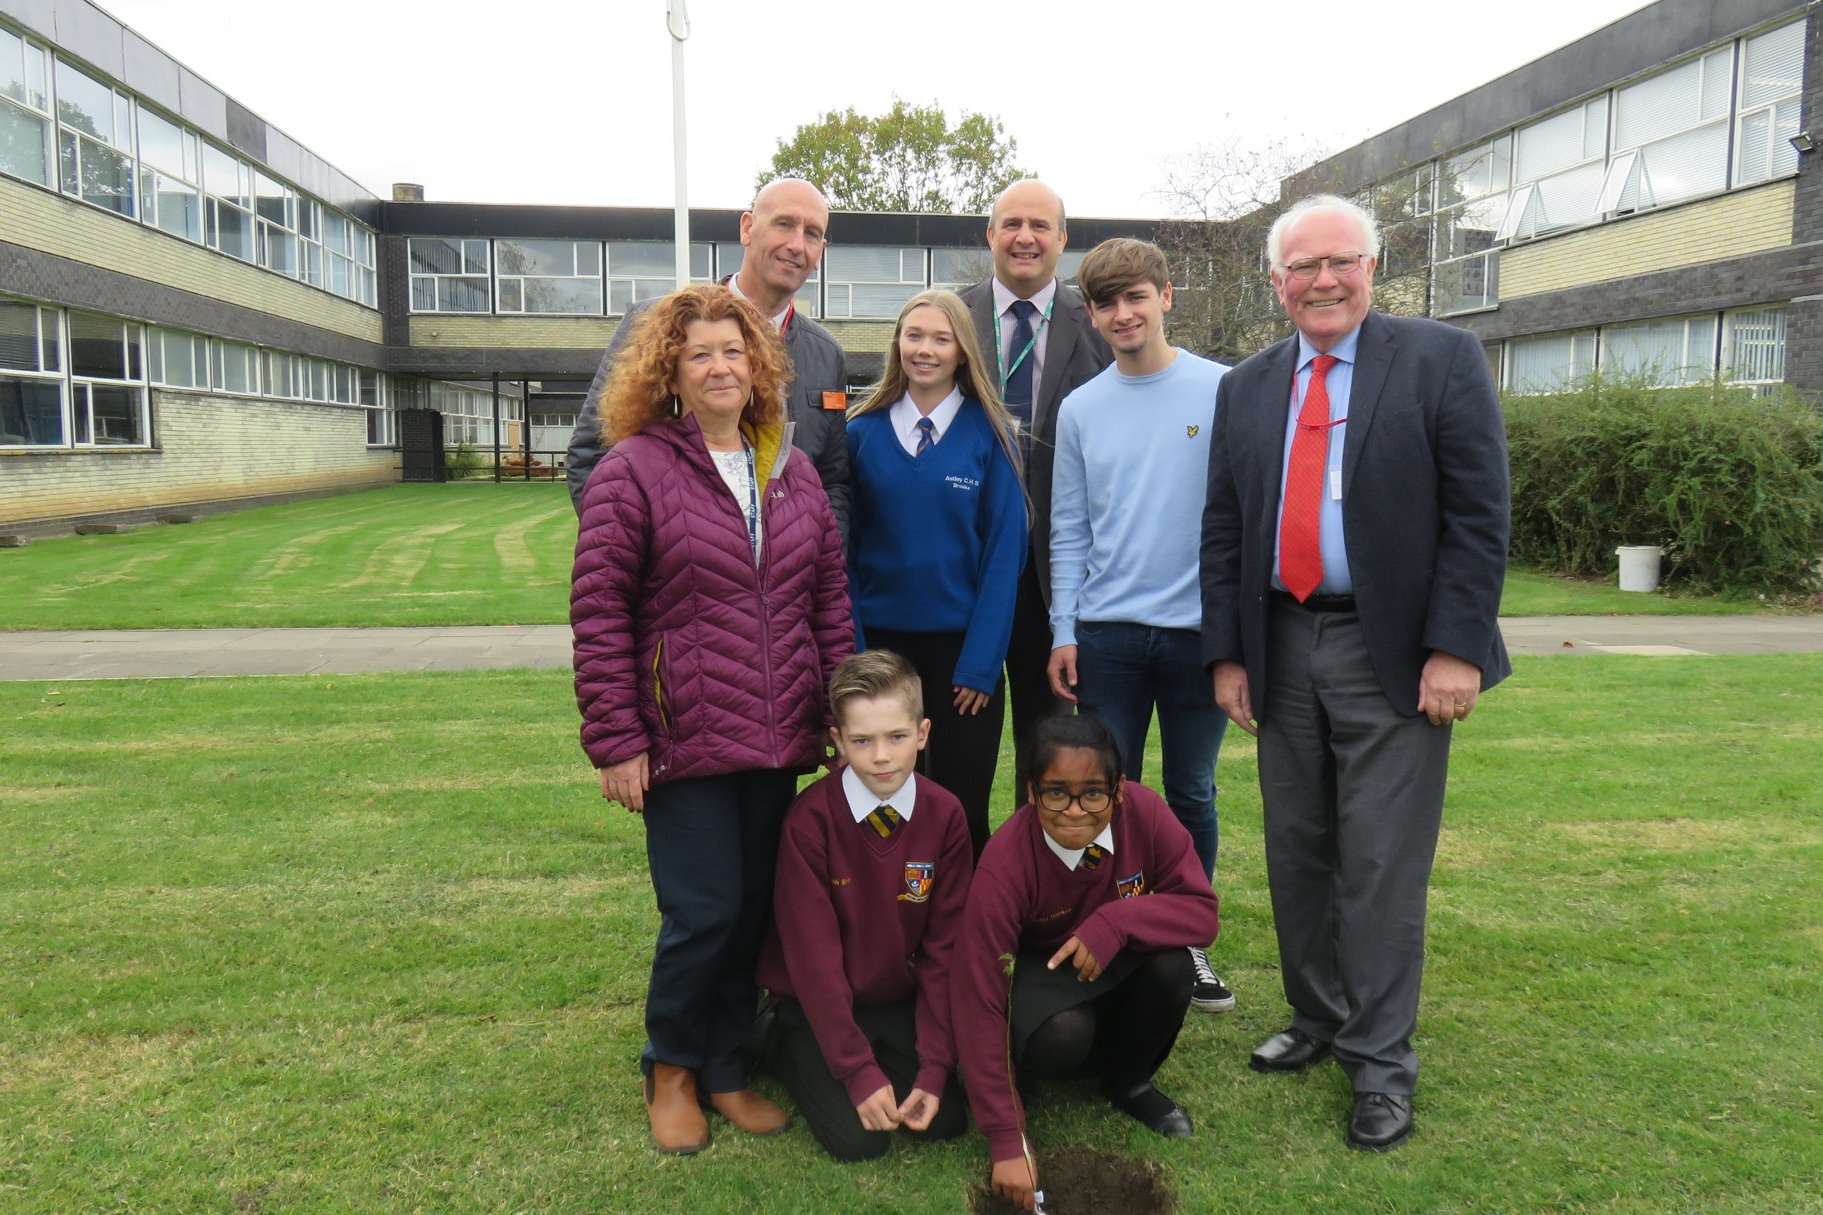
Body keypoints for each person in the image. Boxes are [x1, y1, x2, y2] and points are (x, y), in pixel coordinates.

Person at [1200, 194, 1510, 1152]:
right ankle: (1317, 1014)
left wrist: (1455, 645)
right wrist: (1226, 654)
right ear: (1275, 282)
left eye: (1341, 261)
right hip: (1282, 642)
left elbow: (1477, 512)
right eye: (1303, 267)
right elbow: (1223, 527)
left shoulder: (1439, 359)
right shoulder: (1245, 387)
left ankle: (1379, 1063)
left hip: (1397, 651)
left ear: (1373, 268)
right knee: (1297, 849)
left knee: (1378, 862)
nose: (1322, 280)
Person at [571, 283, 853, 1156]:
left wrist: (839, 709)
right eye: (699, 354)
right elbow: (600, 610)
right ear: (670, 372)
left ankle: (728, 1065)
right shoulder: (634, 469)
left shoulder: (790, 468)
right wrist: (617, 741)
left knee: (757, 905)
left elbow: (828, 599)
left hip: (777, 735)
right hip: (683, 734)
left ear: (760, 365)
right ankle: (672, 1068)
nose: (720, 366)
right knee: (702, 910)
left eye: (733, 351)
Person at [1045, 237, 1234, 1015]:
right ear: (1091, 317)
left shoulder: (1225, 390)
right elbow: (1069, 528)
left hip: (1195, 636)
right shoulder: (1081, 407)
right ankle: (1101, 932)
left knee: (1189, 792)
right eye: (1105, 303)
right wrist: (1064, 627)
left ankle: (1184, 942)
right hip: (1108, 636)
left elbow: (1242, 518)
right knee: (1100, 793)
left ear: (1165, 297)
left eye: (1135, 297)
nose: (1122, 314)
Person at [952, 714, 1219, 1211]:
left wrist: (1114, 924)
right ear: (1031, 793)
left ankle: (1129, 1080)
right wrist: (1006, 1138)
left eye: (1092, 793)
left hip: (1113, 953)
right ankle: (1026, 1072)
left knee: (1173, 967)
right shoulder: (1005, 862)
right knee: (1065, 1033)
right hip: (1041, 971)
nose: (1075, 811)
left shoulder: (1146, 812)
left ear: (1118, 791)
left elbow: (1202, 912)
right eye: (1056, 793)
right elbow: (977, 994)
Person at [755, 650, 974, 1161]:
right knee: (860, 1142)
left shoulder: (946, 815)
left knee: (945, 1121)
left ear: (923, 733)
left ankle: (878, 1054)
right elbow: (814, 960)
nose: (881, 756)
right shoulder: (809, 821)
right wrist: (856, 1071)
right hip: (813, 1001)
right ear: (837, 742)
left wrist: (936, 1066)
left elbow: (945, 950)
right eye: (861, 741)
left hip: (891, 995)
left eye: (897, 737)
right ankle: (775, 1039)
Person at [846, 289, 1027, 855]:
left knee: (959, 805)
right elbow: (841, 556)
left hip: (961, 662)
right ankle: (886, 927)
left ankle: (960, 934)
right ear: (897, 344)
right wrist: (852, 654)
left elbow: (1004, 556)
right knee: (882, 803)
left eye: (940, 339)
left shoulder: (991, 434)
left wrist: (981, 663)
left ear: (961, 351)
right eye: (914, 336)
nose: (925, 350)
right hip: (880, 652)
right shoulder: (859, 433)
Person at [567, 178, 850, 535]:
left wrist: (818, 566)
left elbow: (834, 482)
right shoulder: (652, 324)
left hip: (787, 588)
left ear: (820, 251)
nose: (796, 244)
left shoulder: (827, 354)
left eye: (812, 233)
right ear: (747, 228)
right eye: (784, 224)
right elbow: (591, 456)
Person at [960, 180, 1112, 787]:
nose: (1026, 237)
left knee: (1051, 750)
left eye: (1040, 225)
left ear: (1063, 239)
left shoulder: (1100, 322)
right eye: (1012, 223)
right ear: (990, 235)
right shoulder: (949, 318)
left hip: (1062, 572)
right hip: (966, 564)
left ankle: (1041, 875)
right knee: (957, 743)